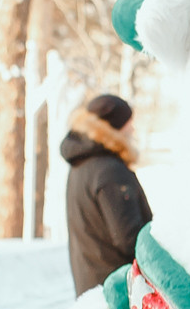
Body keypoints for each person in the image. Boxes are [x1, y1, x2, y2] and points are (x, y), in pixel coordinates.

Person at [62, 93, 153, 296]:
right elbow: (130, 239)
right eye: (129, 122)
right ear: (115, 126)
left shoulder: (81, 165)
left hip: (91, 287)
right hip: (117, 292)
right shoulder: (110, 171)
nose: (132, 128)